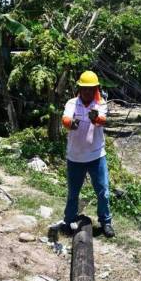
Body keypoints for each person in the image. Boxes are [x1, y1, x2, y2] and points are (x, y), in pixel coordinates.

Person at [61, 70, 115, 238]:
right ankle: (68, 220)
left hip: (96, 156)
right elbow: (65, 119)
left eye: (91, 89)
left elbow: (103, 120)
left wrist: (96, 119)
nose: (88, 92)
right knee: (73, 193)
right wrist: (71, 123)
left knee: (103, 191)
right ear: (79, 89)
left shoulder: (101, 104)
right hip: (75, 157)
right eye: (85, 89)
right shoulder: (72, 103)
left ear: (96, 89)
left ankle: (106, 222)